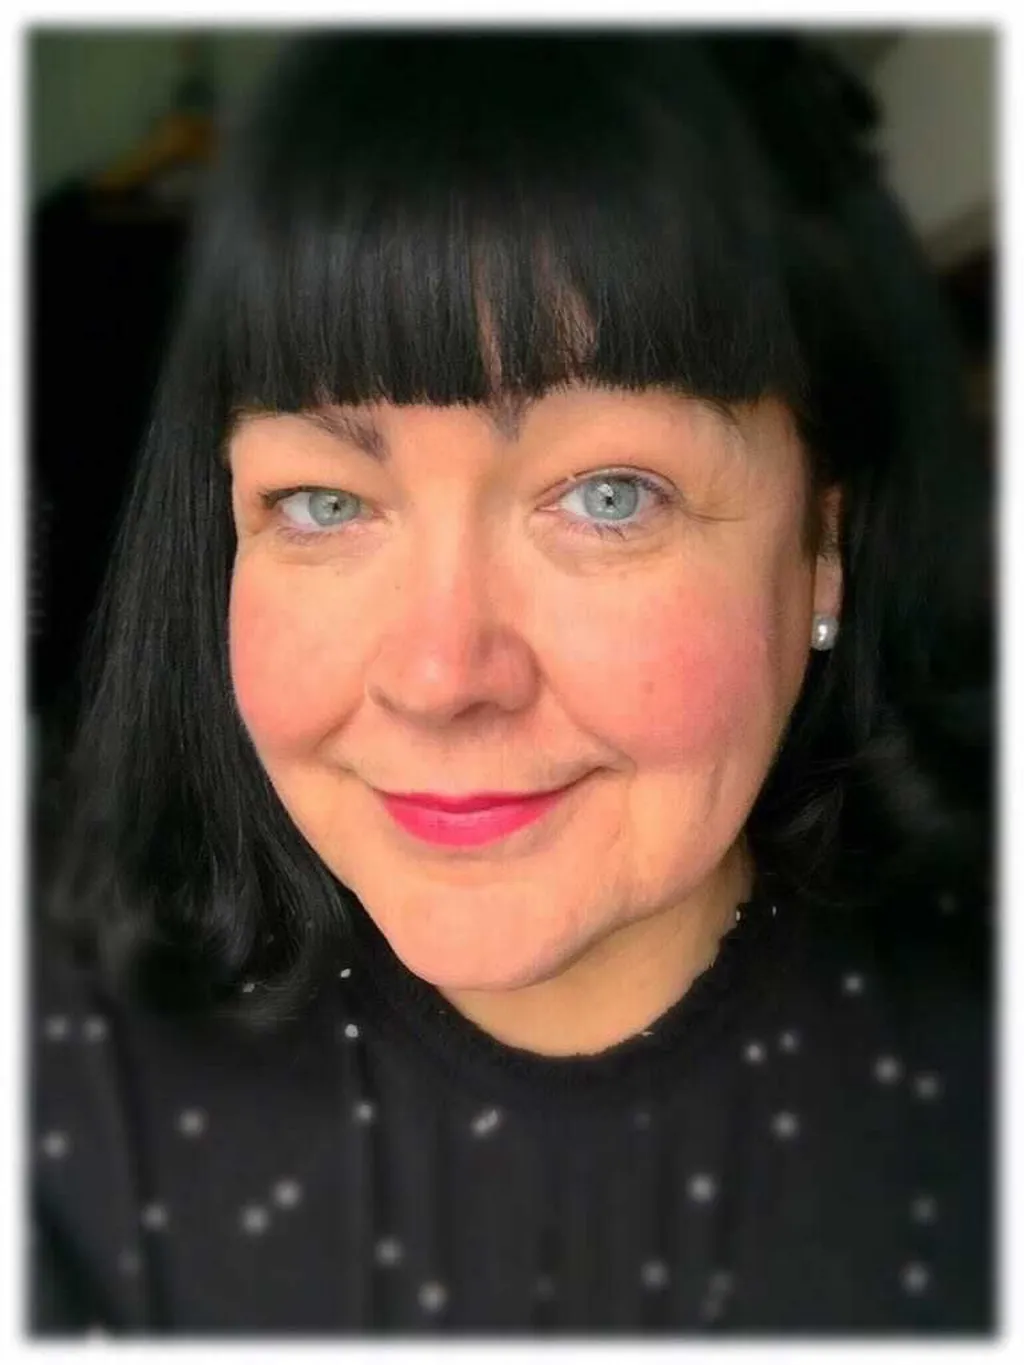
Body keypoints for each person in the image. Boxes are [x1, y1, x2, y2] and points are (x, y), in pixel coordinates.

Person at [31, 31, 993, 1335]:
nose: (439, 676)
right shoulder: (54, 1079)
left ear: (824, 545)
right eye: (322, 500)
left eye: (609, 496)